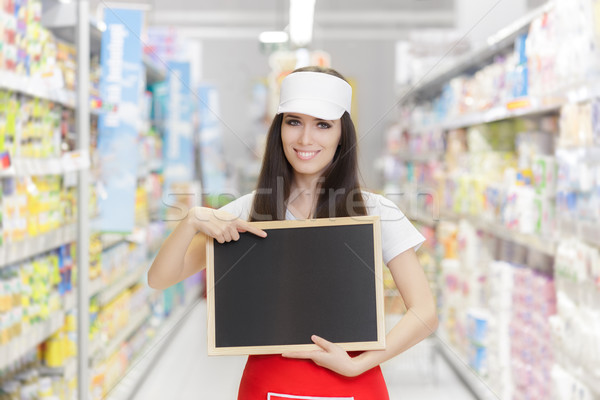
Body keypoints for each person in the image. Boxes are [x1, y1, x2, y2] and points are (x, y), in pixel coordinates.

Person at [148, 66, 438, 399]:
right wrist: (191, 221)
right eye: (294, 121)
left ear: (342, 133)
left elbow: (424, 312)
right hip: (268, 385)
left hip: (353, 384)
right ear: (279, 129)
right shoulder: (246, 210)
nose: (305, 139)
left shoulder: (376, 211)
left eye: (323, 125)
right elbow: (160, 279)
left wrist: (359, 365)